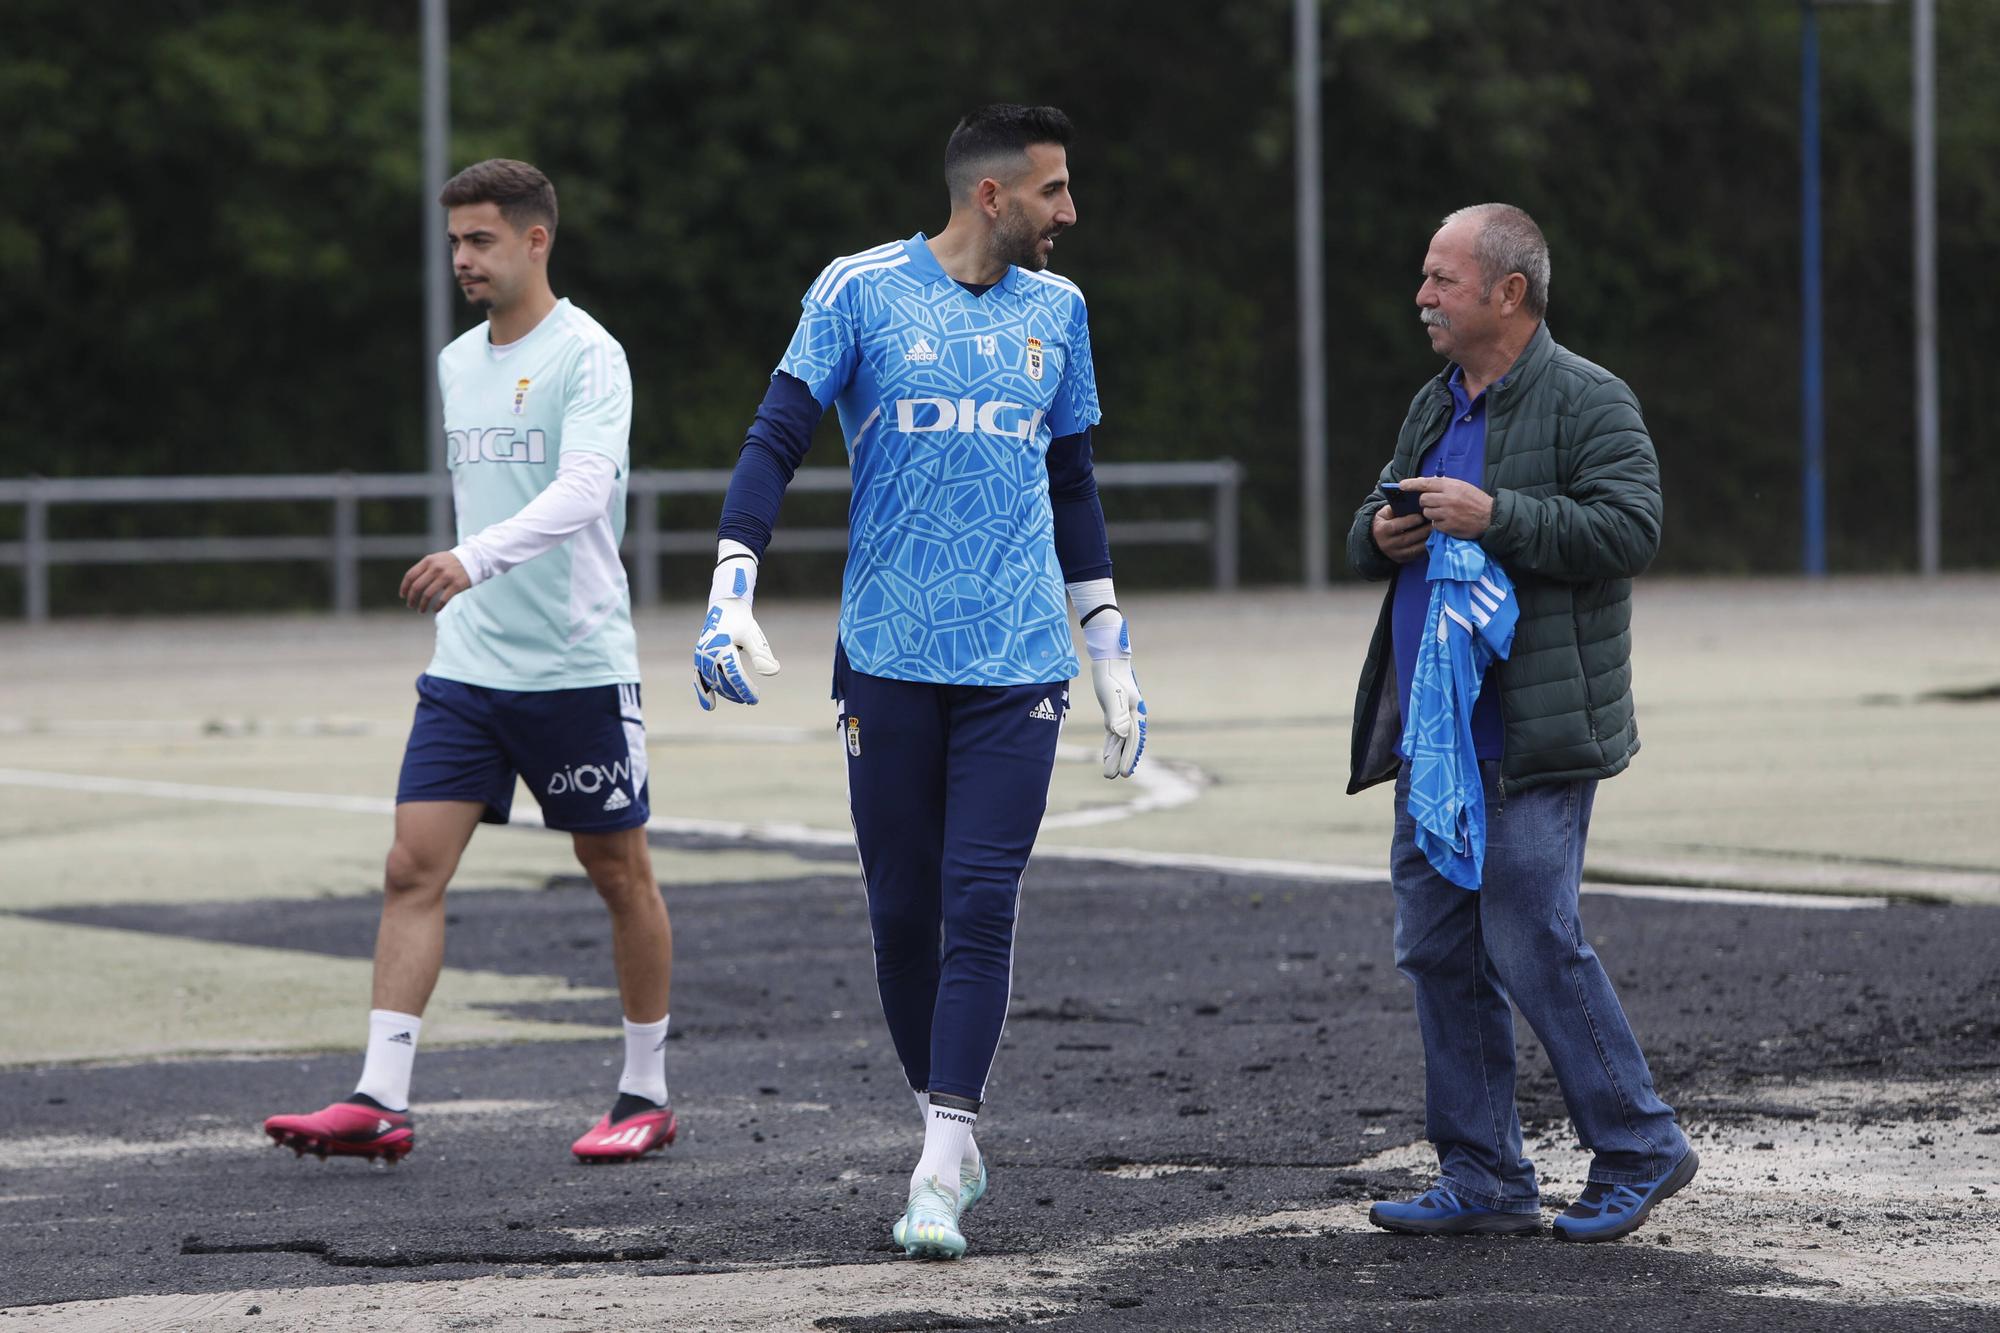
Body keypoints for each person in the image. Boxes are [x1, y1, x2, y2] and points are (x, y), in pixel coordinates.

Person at [692, 104, 1147, 1260]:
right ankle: (945, 1121)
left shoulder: (1063, 310)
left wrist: (1107, 649)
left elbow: (1076, 484)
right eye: (1052, 189)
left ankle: (940, 1160)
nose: (1070, 213)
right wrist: (729, 583)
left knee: (980, 897)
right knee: (902, 912)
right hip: (887, 650)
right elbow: (773, 437)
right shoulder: (855, 289)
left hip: (1016, 662)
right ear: (991, 194)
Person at [263, 159, 680, 1167]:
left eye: (481, 239)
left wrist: (472, 557)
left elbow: (584, 492)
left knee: (615, 869)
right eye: (454, 241)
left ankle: (645, 1090)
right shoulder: (456, 361)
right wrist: (469, 579)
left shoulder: (590, 355)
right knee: (412, 865)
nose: (462, 259)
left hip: (576, 665)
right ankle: (381, 1096)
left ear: (537, 239)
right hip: (468, 669)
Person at [1346, 203, 1694, 1243]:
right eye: (1424, 278)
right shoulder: (1434, 402)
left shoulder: (1590, 398)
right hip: (1434, 735)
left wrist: (1494, 516)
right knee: (1438, 951)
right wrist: (1384, 529)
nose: (1422, 297)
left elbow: (1628, 529)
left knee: (1533, 942)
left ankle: (1638, 1144)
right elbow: (1367, 528)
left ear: (1507, 293)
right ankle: (1484, 1173)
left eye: (1440, 280)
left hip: (1528, 737)